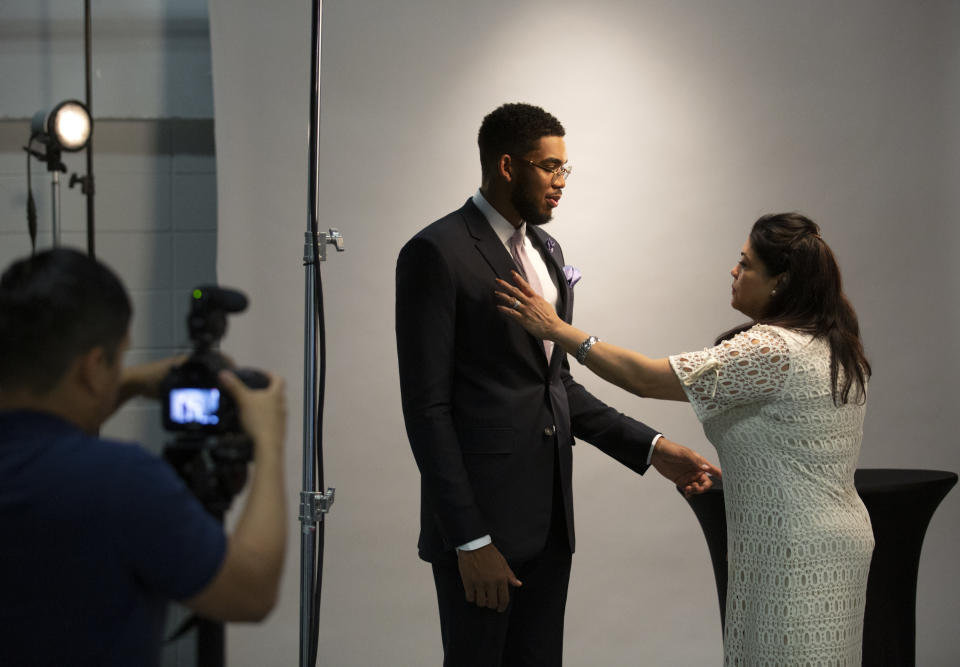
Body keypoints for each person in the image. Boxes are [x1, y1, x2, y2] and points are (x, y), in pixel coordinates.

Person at [395, 102, 720, 667]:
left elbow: (555, 386)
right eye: (550, 168)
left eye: (565, 169)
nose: (561, 184)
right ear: (505, 166)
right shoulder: (436, 253)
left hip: (549, 529)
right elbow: (427, 409)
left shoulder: (548, 252)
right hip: (483, 534)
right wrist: (470, 540)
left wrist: (653, 449)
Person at [497, 212, 875, 665]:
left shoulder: (771, 348)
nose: (734, 271)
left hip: (793, 552)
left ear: (782, 281)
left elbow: (645, 378)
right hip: (833, 541)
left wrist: (559, 330)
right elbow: (790, 452)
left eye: (747, 264)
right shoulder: (831, 342)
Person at [0, 248, 287, 667]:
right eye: (119, 360)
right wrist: (269, 440)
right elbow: (252, 591)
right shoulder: (118, 481)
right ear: (93, 367)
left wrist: (129, 381)